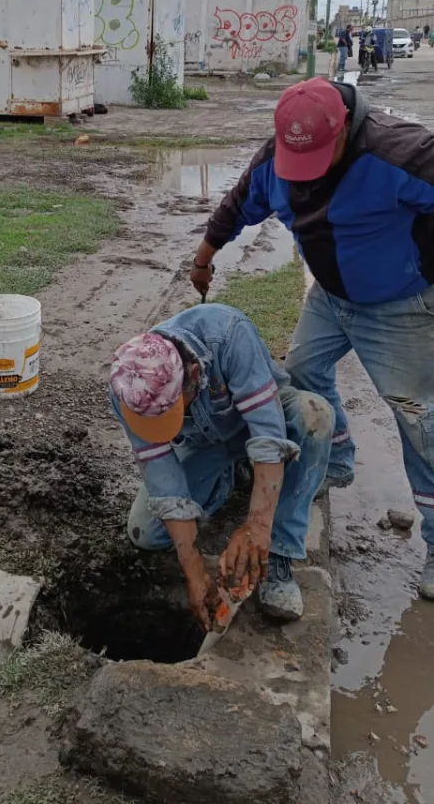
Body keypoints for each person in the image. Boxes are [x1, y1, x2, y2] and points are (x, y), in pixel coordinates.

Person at [190, 76, 434, 600]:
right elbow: (237, 205)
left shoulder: (402, 152)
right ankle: (337, 460)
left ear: (345, 128)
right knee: (303, 377)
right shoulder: (273, 159)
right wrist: (204, 257)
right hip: (330, 298)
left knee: (419, 421)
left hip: (399, 305)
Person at [109, 308, 333, 630]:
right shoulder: (127, 387)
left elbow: (269, 436)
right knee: (147, 533)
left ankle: (279, 553)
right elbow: (161, 473)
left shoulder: (229, 335)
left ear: (195, 374)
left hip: (260, 420)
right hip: (205, 442)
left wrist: (257, 525)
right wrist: (194, 570)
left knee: (314, 415)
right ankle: (232, 476)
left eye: (168, 413)